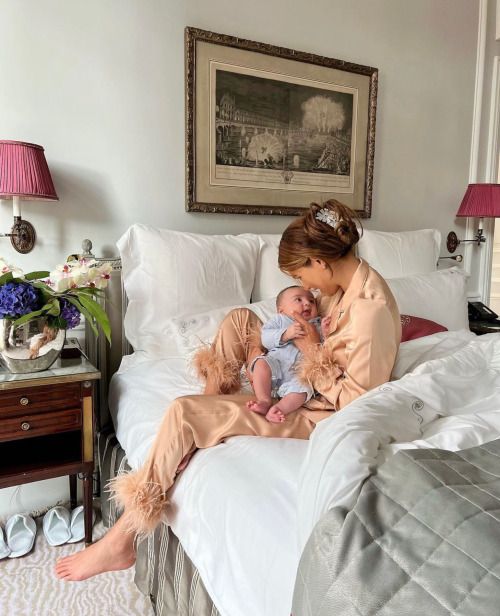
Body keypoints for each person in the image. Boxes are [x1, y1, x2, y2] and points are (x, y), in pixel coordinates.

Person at [55, 199, 401, 582]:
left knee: (183, 412)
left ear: (319, 262)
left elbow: (356, 402)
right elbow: (306, 326)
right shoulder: (340, 285)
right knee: (240, 319)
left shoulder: (370, 309)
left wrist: (305, 349)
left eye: (302, 275)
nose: (304, 288)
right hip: (289, 372)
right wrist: (274, 342)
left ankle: (124, 537)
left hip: (314, 410)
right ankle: (208, 405)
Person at [246, 285, 330, 423]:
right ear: (281, 310)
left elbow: (323, 350)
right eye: (298, 299)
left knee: (304, 388)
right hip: (276, 364)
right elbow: (265, 338)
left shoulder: (317, 324)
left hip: (299, 374)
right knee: (261, 363)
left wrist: (326, 333)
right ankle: (264, 400)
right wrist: (285, 334)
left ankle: (279, 409)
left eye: (311, 301)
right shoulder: (280, 320)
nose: (307, 303)